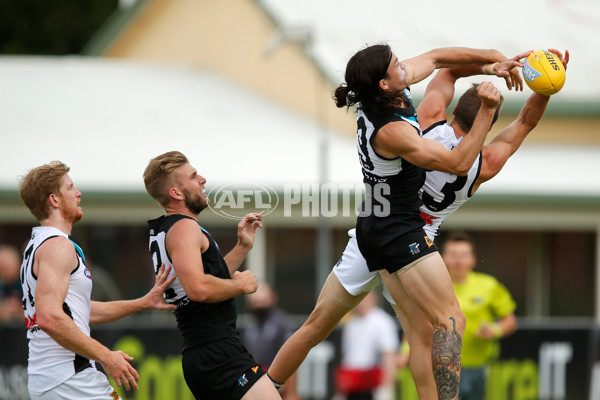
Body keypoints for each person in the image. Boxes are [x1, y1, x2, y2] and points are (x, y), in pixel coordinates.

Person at [269, 44, 517, 400]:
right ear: (384, 83)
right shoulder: (391, 131)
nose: (405, 65)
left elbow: (437, 59)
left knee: (321, 326)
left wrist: (492, 59)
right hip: (398, 232)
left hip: (371, 224)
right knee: (450, 320)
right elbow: (459, 163)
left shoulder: (389, 93)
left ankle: (262, 388)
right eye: (397, 64)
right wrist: (487, 111)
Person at [18, 161, 177, 400]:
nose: (78, 193)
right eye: (70, 188)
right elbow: (50, 316)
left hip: (55, 379)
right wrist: (106, 355)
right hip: (69, 378)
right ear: (54, 199)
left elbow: (78, 312)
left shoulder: (39, 245)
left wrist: (142, 303)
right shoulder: (57, 247)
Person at [143, 150, 281, 400]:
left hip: (206, 352)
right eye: (194, 176)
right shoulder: (184, 228)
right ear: (176, 193)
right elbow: (198, 288)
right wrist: (241, 286)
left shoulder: (170, 228)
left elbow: (205, 279)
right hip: (217, 352)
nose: (203, 179)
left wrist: (242, 247)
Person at [442, 231, 517, 399]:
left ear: (473, 259)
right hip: (443, 367)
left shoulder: (488, 285)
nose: (458, 260)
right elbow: (418, 322)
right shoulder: (434, 287)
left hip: (480, 368)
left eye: (463, 255)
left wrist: (494, 330)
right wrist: (405, 351)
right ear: (443, 258)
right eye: (453, 255)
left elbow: (510, 321)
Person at [335, 291, 399, 400]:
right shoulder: (351, 323)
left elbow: (389, 357)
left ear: (373, 299)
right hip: (352, 384)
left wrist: (386, 389)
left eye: (364, 298)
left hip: (372, 386)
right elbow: (346, 357)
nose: (361, 303)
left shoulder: (382, 322)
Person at [242, 282, 299, 400]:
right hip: (256, 382)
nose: (259, 305)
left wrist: (291, 392)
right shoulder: (250, 327)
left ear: (272, 298)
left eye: (262, 300)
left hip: (278, 381)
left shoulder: (282, 324)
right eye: (255, 302)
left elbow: (292, 357)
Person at [0, 244, 24, 323]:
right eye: (2, 266)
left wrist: (18, 311)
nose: (4, 271)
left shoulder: (25, 285)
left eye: (7, 266)